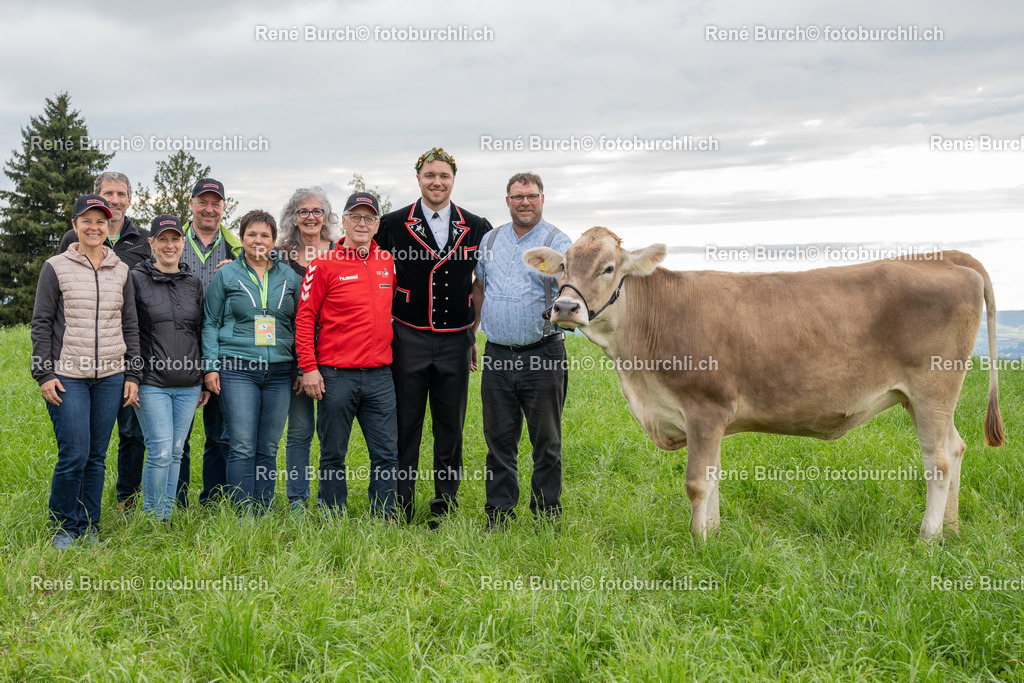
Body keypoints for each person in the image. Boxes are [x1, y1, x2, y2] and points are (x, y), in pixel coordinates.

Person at [375, 147, 492, 527]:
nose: (436, 182)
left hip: (455, 340)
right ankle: (401, 505)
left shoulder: (476, 226)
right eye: (430, 175)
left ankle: (445, 505)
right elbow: (367, 267)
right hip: (406, 335)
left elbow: (482, 283)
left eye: (444, 176)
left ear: (453, 180)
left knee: (450, 427)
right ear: (418, 179)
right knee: (405, 425)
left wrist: (472, 334)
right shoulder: (393, 223)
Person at [32, 195, 141, 548]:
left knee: (96, 456)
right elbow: (41, 323)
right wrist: (44, 373)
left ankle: (89, 525)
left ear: (109, 226)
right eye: (87, 220)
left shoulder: (121, 270)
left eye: (101, 221)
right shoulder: (55, 267)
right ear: (75, 225)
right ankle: (64, 526)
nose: (94, 227)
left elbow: (130, 326)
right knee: (75, 453)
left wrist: (132, 374)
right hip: (67, 376)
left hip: (110, 376)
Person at [473, 173, 572, 529]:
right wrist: (471, 333)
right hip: (497, 355)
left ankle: (546, 516)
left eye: (531, 196)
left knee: (546, 441)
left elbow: (569, 287)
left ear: (542, 198)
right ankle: (498, 515)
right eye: (517, 196)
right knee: (499, 441)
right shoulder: (491, 239)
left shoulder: (557, 241)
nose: (524, 202)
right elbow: (479, 287)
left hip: (542, 354)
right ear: (508, 201)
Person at [295, 192, 398, 517]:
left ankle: (385, 516)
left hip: (380, 376)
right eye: (355, 216)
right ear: (344, 221)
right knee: (333, 453)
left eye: (369, 217)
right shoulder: (322, 264)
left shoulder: (387, 262)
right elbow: (304, 317)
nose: (362, 223)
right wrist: (308, 367)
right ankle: (331, 515)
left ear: (377, 225)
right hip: (336, 375)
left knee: (386, 453)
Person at [58, 172, 149, 512]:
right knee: (81, 444)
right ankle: (71, 513)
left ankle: (127, 497)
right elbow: (58, 295)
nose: (115, 199)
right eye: (108, 192)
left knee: (132, 432)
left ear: (130, 199)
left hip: (126, 350)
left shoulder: (144, 240)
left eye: (121, 193)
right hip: (78, 355)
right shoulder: (73, 238)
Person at [202, 210, 299, 514]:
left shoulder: (290, 277)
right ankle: (243, 513)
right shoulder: (226, 274)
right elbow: (210, 323)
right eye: (252, 234)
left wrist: (301, 366)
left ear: (274, 240)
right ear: (241, 238)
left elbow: (301, 323)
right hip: (237, 368)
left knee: (268, 446)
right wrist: (210, 366)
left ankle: (263, 507)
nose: (258, 240)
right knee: (242, 444)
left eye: (265, 235)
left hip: (280, 371)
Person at [131, 215, 207, 522]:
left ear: (183, 243)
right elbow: (129, 330)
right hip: (151, 381)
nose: (169, 245)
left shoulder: (194, 283)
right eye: (162, 239)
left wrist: (203, 377)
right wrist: (132, 375)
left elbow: (200, 331)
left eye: (175, 239)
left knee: (176, 450)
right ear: (151, 243)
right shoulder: (135, 279)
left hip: (189, 383)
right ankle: (154, 517)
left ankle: (166, 513)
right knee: (160, 450)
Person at [179, 177, 242, 506]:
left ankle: (214, 500)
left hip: (222, 351)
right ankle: (175, 501)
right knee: (178, 435)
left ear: (223, 207)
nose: (209, 208)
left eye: (215, 203)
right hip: (178, 350)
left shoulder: (238, 249)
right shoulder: (172, 241)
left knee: (220, 434)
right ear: (191, 204)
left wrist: (238, 270)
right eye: (202, 202)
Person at [277, 187, 339, 509]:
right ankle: (297, 500)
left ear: (326, 216)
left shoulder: (340, 252)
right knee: (300, 431)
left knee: (332, 434)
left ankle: (330, 500)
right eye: (303, 211)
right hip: (294, 356)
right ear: (294, 217)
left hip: (333, 355)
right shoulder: (280, 255)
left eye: (317, 211)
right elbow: (252, 268)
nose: (311, 217)